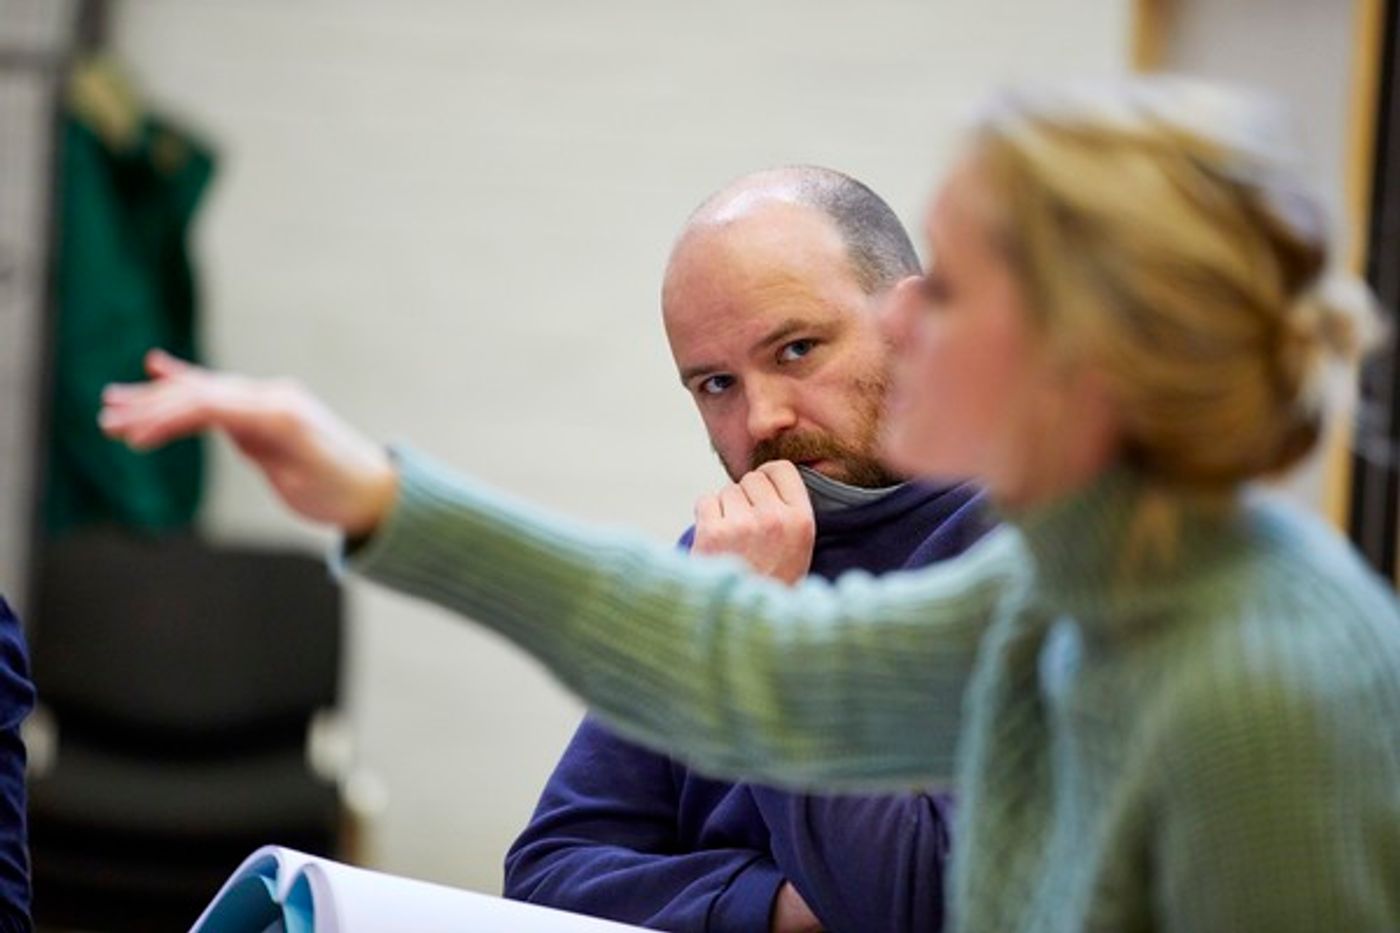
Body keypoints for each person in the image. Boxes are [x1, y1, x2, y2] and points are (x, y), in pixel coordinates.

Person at [100, 78, 1400, 931]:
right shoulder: (1074, 574)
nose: (909, 316)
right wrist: (379, 492)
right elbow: (737, 659)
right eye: (715, 379)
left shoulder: (1261, 676)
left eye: (945, 294)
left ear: (1082, 350)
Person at [502, 168, 990, 933]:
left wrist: (758, 637)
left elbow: (918, 902)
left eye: (796, 349)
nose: (761, 419)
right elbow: (547, 873)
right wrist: (779, 907)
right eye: (716, 383)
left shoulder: (1041, 557)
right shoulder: (722, 561)